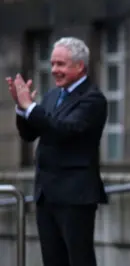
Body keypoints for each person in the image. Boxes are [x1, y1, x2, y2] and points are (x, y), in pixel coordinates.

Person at [7, 37, 108, 266]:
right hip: (47, 194)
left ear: (79, 66)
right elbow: (31, 134)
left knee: (78, 260)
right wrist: (22, 110)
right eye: (52, 64)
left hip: (75, 196)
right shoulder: (53, 95)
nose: (54, 70)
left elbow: (64, 130)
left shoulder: (93, 99)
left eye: (61, 64)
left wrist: (31, 108)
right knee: (52, 260)